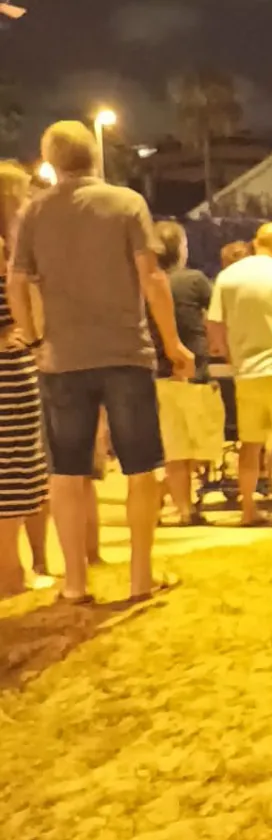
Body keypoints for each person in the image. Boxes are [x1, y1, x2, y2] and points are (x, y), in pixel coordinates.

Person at [8, 121, 193, 604]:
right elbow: (151, 278)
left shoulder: (34, 213)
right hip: (125, 352)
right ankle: (140, 577)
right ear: (95, 155)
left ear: (51, 160)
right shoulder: (128, 204)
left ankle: (73, 582)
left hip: (62, 358)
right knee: (140, 466)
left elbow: (18, 281)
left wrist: (32, 337)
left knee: (66, 471)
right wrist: (173, 343)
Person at [207, 222, 272, 526]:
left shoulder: (228, 277)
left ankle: (248, 510)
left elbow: (215, 326)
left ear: (256, 242)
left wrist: (231, 355)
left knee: (249, 445)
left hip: (247, 373)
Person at [150, 221, 222, 527]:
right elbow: (217, 317)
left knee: (174, 447)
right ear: (180, 249)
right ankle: (180, 502)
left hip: (157, 374)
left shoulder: (144, 285)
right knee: (199, 444)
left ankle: (182, 507)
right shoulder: (195, 281)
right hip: (194, 373)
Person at [0, 162, 49, 596]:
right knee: (11, 470)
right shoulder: (6, 252)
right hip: (9, 376)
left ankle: (17, 571)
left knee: (22, 469)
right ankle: (9, 575)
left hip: (19, 371)